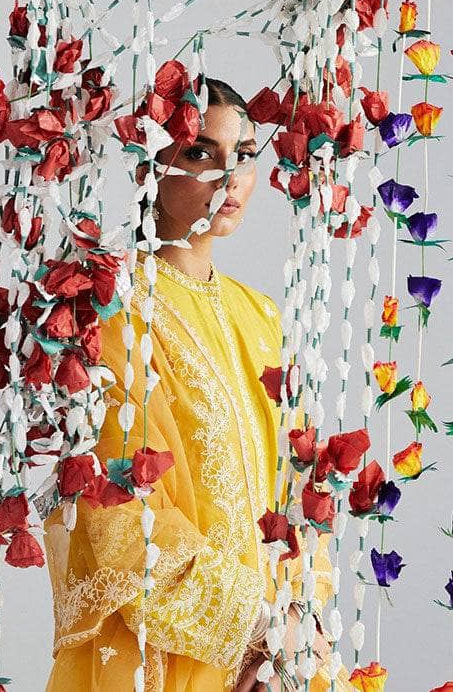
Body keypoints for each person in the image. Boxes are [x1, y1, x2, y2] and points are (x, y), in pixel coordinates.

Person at [43, 77, 354, 691]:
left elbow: (299, 492)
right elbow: (121, 519)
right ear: (148, 165)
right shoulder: (112, 312)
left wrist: (296, 625)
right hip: (170, 654)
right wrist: (254, 628)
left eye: (243, 155)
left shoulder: (261, 317)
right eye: (199, 152)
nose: (229, 176)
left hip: (279, 660)